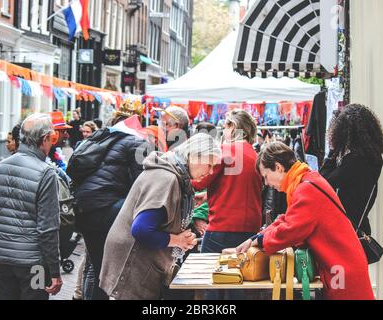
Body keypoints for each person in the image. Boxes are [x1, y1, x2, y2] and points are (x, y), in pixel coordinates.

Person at [237, 141, 375, 300]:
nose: (267, 183)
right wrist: (254, 239)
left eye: (266, 176)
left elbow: (291, 230)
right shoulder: (305, 180)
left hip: (342, 271)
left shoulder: (306, 189)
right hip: (343, 266)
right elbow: (287, 218)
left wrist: (260, 241)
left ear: (278, 167)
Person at [99, 133, 222, 300]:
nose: (210, 171)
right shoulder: (166, 178)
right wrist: (178, 240)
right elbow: (142, 230)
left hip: (139, 265)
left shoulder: (173, 175)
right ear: (195, 156)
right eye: (209, 165)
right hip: (131, 267)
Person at [73, 101, 149, 300]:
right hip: (108, 209)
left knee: (94, 264)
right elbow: (141, 183)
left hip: (84, 207)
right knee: (109, 269)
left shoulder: (101, 136)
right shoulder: (137, 141)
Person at [0, 113, 62, 300]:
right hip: (34, 265)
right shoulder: (46, 174)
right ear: (43, 139)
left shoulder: (0, 167)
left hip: (2, 261)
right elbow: (48, 229)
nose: (53, 143)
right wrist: (54, 271)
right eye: (53, 138)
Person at [192, 109, 263, 300]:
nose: (223, 131)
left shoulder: (226, 150)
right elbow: (238, 185)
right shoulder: (255, 155)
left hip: (222, 227)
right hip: (250, 230)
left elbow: (200, 181)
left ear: (233, 126)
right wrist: (207, 196)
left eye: (225, 126)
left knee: (213, 284)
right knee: (240, 285)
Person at [320, 104, 383, 236]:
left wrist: (333, 151)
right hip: (358, 227)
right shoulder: (373, 157)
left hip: (347, 232)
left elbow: (324, 182)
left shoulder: (355, 160)